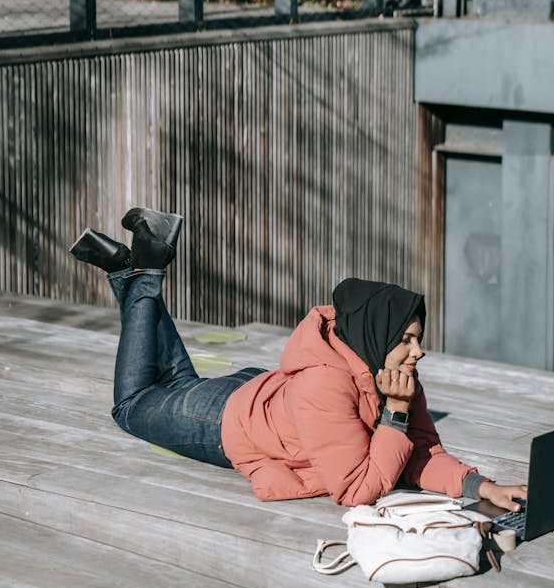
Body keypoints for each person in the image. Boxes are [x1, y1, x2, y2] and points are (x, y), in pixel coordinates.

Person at [71, 208, 527, 511]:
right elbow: (355, 490)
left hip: (262, 399)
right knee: (132, 405)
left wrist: (480, 486)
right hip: (224, 423)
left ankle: (127, 271)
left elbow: (420, 453)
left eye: (418, 339)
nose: (418, 351)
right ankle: (141, 271)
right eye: (406, 340)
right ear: (376, 335)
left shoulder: (393, 375)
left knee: (172, 377)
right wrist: (396, 413)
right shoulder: (333, 384)